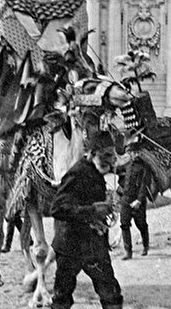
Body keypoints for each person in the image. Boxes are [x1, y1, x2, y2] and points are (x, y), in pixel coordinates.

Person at [50, 130, 123, 309]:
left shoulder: (97, 170)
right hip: (70, 246)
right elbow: (57, 208)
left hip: (93, 245)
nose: (110, 160)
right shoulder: (77, 173)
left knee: (111, 293)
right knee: (62, 298)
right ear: (91, 154)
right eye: (105, 155)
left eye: (112, 155)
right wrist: (93, 210)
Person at [119, 136, 152, 260]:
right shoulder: (127, 165)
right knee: (124, 224)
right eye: (131, 152)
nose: (133, 154)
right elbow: (119, 172)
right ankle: (128, 251)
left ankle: (146, 245)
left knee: (141, 224)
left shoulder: (144, 167)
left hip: (138, 200)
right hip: (126, 199)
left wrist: (139, 200)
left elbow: (144, 185)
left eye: (134, 152)